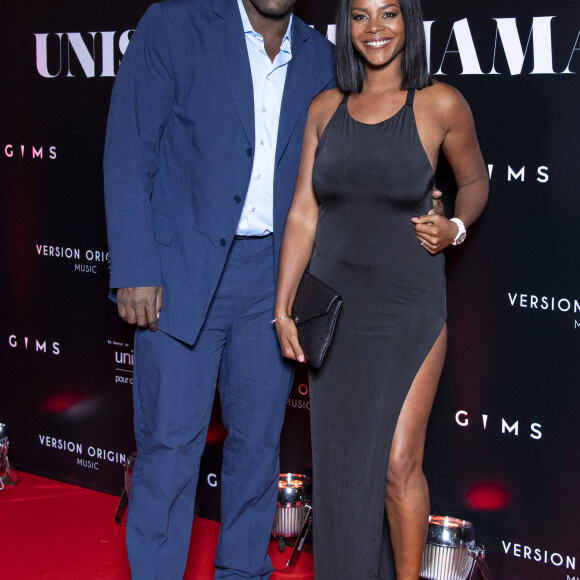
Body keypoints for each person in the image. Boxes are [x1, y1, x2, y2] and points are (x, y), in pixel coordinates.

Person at [103, 0, 335, 577]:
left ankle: (242, 571)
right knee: (168, 449)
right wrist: (135, 266)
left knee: (258, 450)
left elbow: (341, 166)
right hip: (181, 273)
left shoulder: (322, 57)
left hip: (273, 280)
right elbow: (129, 149)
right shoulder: (175, 24)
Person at [272, 0, 489, 577]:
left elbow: (473, 181)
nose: (375, 29)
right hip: (335, 310)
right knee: (342, 469)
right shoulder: (325, 108)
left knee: (398, 463)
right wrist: (282, 307)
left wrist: (456, 227)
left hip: (409, 308)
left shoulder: (440, 103)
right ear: (346, 27)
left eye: (388, 13)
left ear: (407, 22)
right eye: (361, 15)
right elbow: (302, 214)